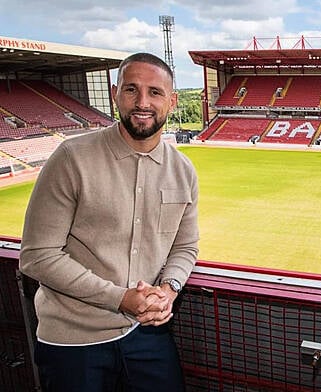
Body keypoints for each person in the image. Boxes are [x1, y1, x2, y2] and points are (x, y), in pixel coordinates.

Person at [19, 52, 199, 392]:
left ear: (172, 101)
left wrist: (169, 288)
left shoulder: (183, 171)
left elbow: (185, 245)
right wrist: (119, 298)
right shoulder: (72, 158)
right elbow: (38, 255)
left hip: (148, 333)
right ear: (116, 93)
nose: (142, 102)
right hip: (74, 341)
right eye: (131, 90)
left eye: (155, 92)